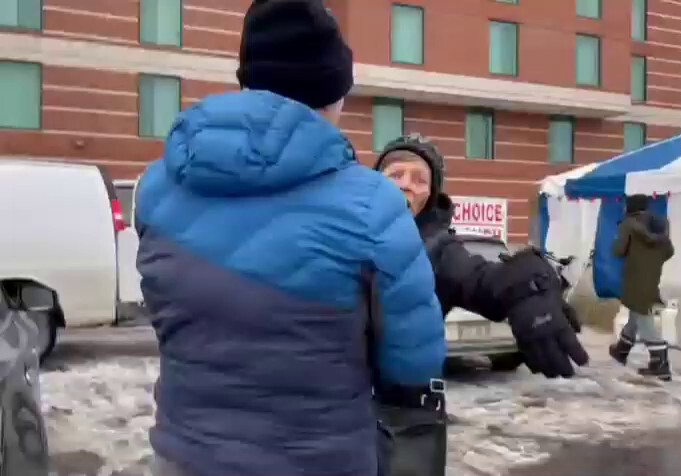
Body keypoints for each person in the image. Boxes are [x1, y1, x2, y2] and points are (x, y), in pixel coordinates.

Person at [135, 2, 446, 476]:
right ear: (332, 96)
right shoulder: (373, 204)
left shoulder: (158, 186)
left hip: (183, 455)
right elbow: (412, 366)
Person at [374, 134, 588, 378]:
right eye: (395, 175)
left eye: (420, 179)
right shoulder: (345, 232)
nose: (406, 185)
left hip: (403, 394)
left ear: (430, 196)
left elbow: (481, 279)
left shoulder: (439, 251)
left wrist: (524, 285)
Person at [608, 194, 675, 381]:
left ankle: (660, 363)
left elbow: (618, 250)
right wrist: (653, 259)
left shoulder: (628, 225)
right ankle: (622, 350)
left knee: (645, 322)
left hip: (635, 277)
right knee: (636, 314)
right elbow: (669, 251)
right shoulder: (659, 225)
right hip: (652, 277)